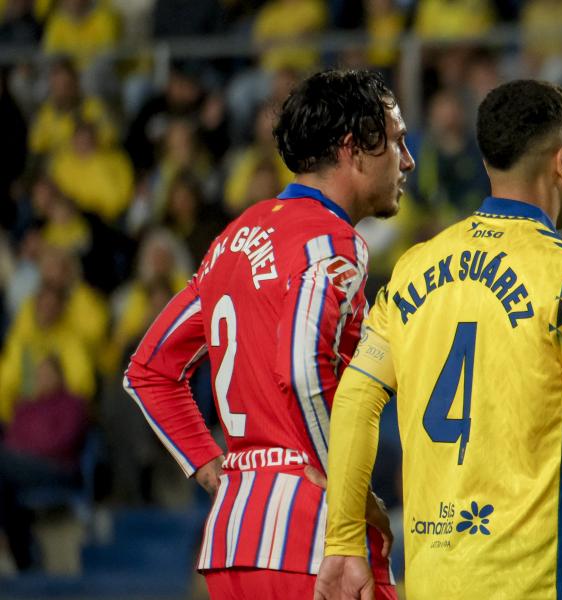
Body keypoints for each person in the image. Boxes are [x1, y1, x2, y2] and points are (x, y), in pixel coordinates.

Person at [315, 80, 562, 600]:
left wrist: (343, 540)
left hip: (431, 582)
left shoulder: (413, 268)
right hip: (528, 584)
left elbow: (355, 400)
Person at [123, 69, 415, 600]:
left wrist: (214, 467)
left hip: (234, 537)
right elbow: (304, 369)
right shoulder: (333, 244)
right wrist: (350, 496)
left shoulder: (233, 239)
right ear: (354, 149)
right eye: (397, 141)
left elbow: (149, 370)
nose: (408, 161)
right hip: (316, 540)